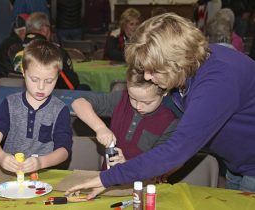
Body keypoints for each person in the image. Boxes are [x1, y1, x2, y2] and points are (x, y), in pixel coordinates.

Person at [65, 13, 255, 198]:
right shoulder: (188, 66)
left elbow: (177, 148)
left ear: (175, 62)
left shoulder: (217, 82)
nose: (147, 76)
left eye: (153, 69)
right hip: (236, 162)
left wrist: (106, 179)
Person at [0, 39, 72, 174]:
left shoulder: (60, 109)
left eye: (49, 81)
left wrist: (40, 162)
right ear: (23, 72)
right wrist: (1, 156)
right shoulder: (10, 103)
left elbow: (64, 151)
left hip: (46, 175)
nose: (41, 87)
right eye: (35, 79)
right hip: (10, 174)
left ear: (57, 77)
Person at [72, 67, 179, 167]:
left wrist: (126, 165)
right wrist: (100, 128)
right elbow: (78, 103)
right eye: (133, 98)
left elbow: (158, 164)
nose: (138, 106)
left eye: (147, 102)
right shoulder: (121, 99)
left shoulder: (169, 122)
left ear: (165, 92)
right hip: (107, 177)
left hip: (141, 183)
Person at [13, 12, 80, 90]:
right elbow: (71, 85)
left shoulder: (9, 48)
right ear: (45, 29)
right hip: (50, 95)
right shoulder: (56, 52)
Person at [0, 14, 28, 79]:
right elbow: (19, 70)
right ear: (22, 32)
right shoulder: (16, 46)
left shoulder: (8, 42)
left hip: (0, 77)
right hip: (10, 79)